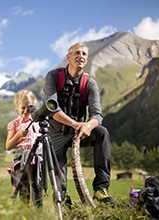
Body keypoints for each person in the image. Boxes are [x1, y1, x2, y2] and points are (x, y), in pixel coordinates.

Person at [44, 43, 115, 203]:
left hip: (80, 133)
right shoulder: (54, 77)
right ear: (68, 57)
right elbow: (52, 108)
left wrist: (88, 126)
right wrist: (76, 124)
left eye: (84, 54)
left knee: (102, 132)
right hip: (56, 133)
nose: (80, 56)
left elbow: (97, 114)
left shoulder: (90, 83)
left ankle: (100, 189)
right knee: (59, 178)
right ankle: (63, 200)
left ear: (87, 59)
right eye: (77, 53)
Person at [6, 90, 43, 207]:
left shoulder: (38, 122)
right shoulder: (14, 124)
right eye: (22, 107)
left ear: (34, 106)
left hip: (37, 158)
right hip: (22, 158)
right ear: (17, 106)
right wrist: (18, 135)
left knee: (38, 189)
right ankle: (24, 214)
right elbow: (8, 146)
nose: (26, 111)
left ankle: (38, 215)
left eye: (29, 107)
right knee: (23, 190)